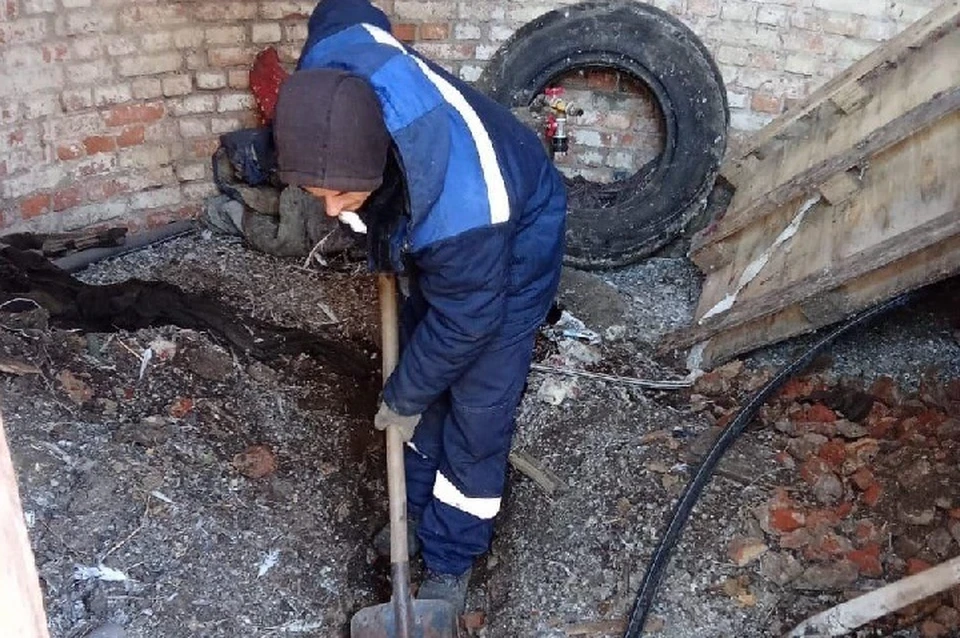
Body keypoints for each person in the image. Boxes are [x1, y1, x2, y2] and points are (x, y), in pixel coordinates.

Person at [271, 0, 567, 612]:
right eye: (314, 193)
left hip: (513, 243)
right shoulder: (332, 69)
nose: (330, 211)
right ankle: (413, 513)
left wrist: (404, 395)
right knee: (419, 372)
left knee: (476, 412)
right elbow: (346, 11)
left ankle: (451, 558)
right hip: (437, 234)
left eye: (342, 195)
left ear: (380, 165)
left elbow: (469, 319)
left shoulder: (465, 210)